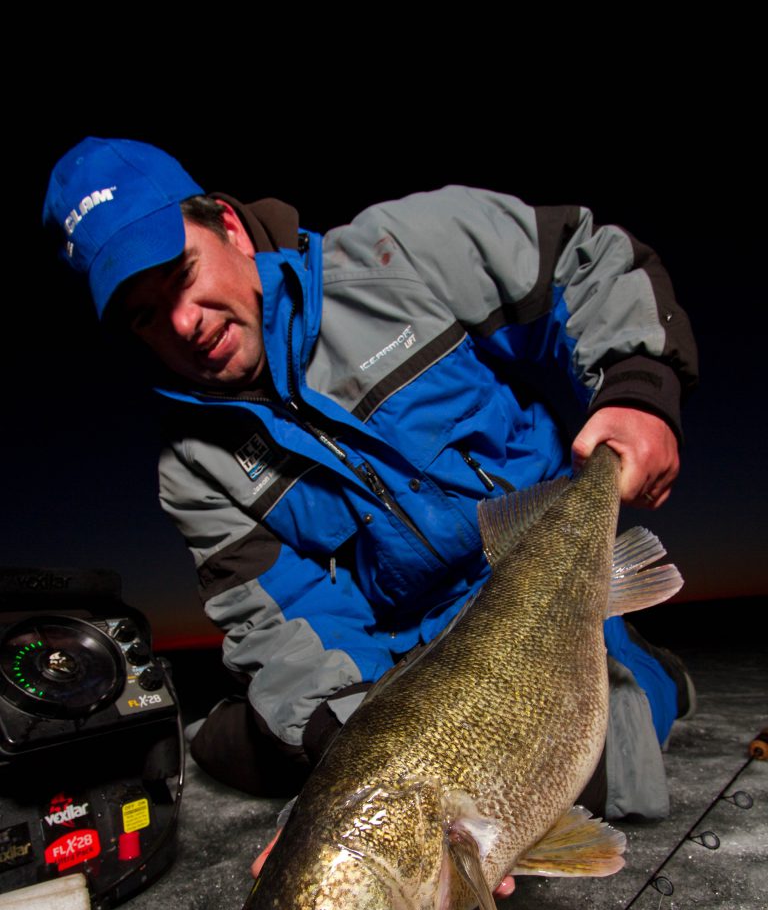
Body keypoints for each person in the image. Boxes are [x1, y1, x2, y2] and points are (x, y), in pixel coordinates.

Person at [43, 138, 697, 833]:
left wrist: (638, 388)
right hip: (407, 651)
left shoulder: (402, 250)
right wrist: (371, 767)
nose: (182, 323)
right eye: (144, 314)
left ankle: (648, 671)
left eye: (179, 274)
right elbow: (280, 620)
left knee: (601, 777)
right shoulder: (192, 471)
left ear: (228, 229)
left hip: (539, 572)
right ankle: (241, 731)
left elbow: (580, 259)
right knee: (304, 755)